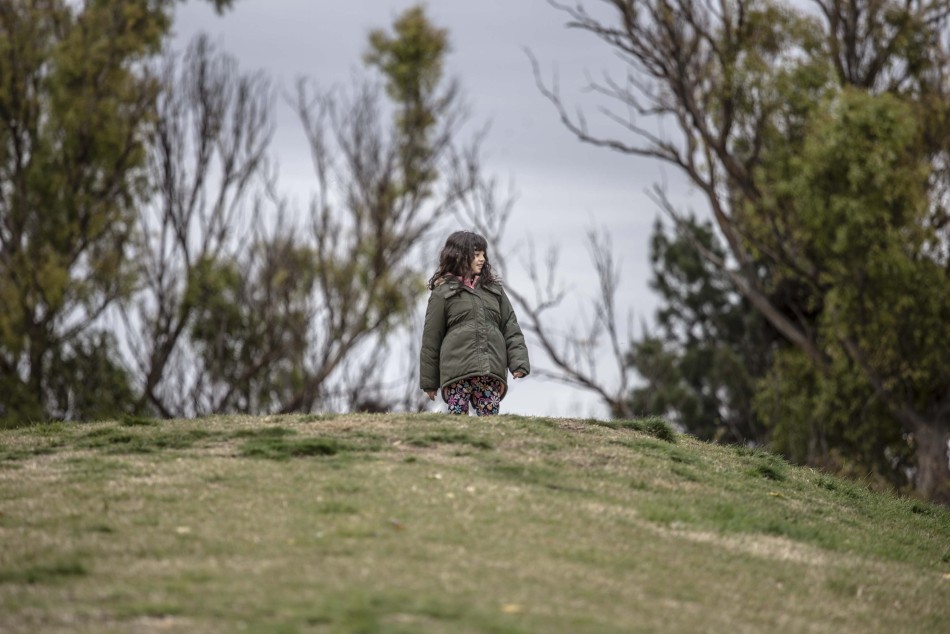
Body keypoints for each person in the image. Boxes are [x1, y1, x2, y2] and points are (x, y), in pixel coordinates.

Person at [419, 230, 530, 415]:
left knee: (489, 421)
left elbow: (511, 328)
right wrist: (429, 383)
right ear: (460, 256)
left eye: (483, 255)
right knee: (457, 420)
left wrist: (519, 363)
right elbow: (431, 339)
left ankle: (488, 444)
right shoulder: (442, 293)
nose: (482, 259)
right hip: (457, 373)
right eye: (476, 255)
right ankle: (458, 443)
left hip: (489, 370)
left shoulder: (494, 291)